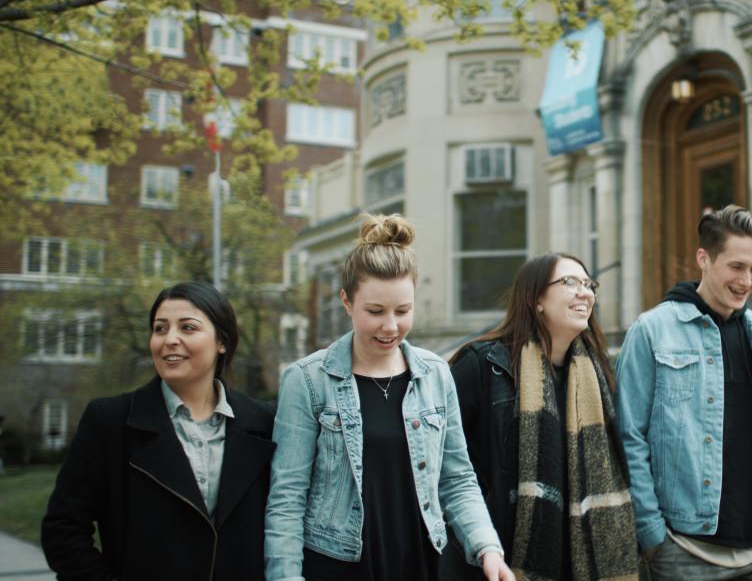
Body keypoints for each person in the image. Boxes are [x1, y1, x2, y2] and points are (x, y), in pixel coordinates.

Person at [264, 213, 513, 581]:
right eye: (375, 311)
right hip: (335, 567)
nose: (391, 326)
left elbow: (457, 479)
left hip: (420, 562)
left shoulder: (435, 375)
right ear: (347, 302)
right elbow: (287, 498)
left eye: (403, 310)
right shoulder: (307, 380)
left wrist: (488, 548)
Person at [614, 205, 752, 580]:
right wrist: (652, 535)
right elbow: (627, 436)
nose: (747, 280)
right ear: (704, 258)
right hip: (684, 549)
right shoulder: (651, 331)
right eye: (736, 267)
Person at [42, 282, 276, 581]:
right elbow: (63, 530)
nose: (170, 340)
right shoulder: (110, 421)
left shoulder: (263, 422)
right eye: (160, 329)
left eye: (188, 328)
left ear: (223, 342)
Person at [440, 253, 639, 581]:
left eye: (589, 285)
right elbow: (444, 468)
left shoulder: (597, 374)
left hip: (578, 563)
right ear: (536, 299)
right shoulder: (482, 366)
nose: (585, 293)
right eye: (570, 282)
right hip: (494, 561)